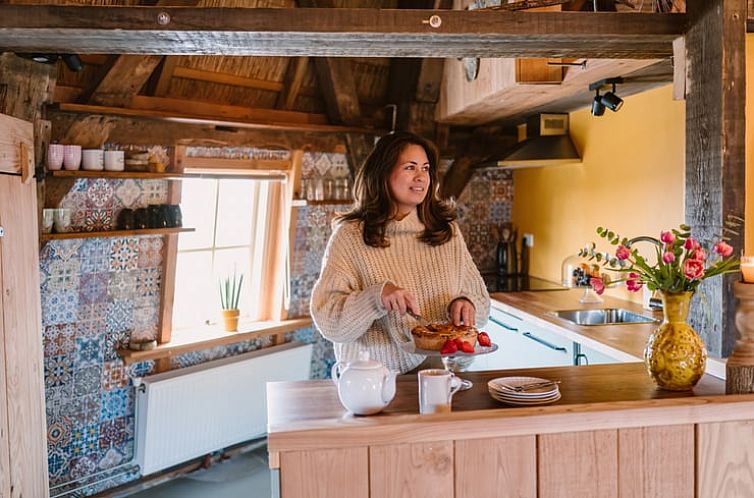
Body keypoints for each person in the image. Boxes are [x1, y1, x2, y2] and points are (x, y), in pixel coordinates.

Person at [310, 132, 490, 374]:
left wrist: (465, 303)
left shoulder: (446, 232)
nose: (421, 177)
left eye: (425, 168)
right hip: (368, 373)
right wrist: (376, 298)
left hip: (434, 370)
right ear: (383, 173)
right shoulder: (350, 236)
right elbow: (329, 320)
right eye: (410, 167)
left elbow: (481, 302)